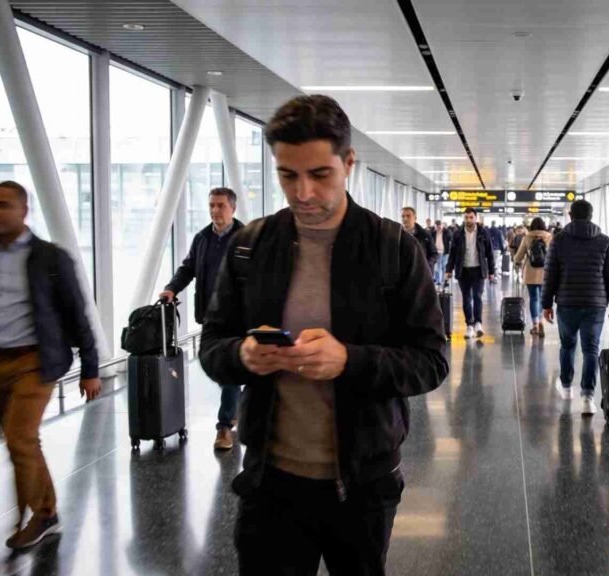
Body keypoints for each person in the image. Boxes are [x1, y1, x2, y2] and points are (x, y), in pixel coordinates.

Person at [199, 94, 448, 575]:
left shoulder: (393, 248)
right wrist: (243, 355)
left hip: (363, 484)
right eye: (288, 175)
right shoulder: (250, 246)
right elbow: (212, 346)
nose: (303, 193)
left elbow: (431, 361)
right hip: (269, 481)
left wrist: (349, 362)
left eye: (319, 174)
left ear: (349, 163)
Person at [0, 180, 101, 550]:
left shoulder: (50, 258)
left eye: (4, 205)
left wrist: (91, 367)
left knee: (21, 438)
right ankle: (46, 510)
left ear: (24, 211)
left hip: (35, 361)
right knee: (18, 441)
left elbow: (77, 312)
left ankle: (41, 515)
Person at [160, 187, 245, 450]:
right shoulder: (202, 238)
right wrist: (172, 288)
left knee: (229, 371)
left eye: (220, 205)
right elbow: (188, 268)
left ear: (233, 208)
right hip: (210, 315)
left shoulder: (247, 237)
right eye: (211, 205)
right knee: (220, 370)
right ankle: (237, 407)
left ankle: (223, 428)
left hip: (239, 315)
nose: (215, 211)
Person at [542, 200, 609, 417]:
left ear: (570, 215)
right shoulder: (604, 241)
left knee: (567, 345)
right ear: (591, 215)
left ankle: (567, 387)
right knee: (591, 349)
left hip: (567, 302)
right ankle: (588, 397)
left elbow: (550, 274)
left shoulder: (558, 241)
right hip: (595, 304)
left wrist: (546, 304)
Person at [446, 207, 496, 339]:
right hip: (463, 270)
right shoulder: (457, 234)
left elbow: (490, 253)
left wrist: (492, 271)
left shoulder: (483, 233)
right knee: (466, 298)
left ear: (476, 218)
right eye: (466, 217)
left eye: (471, 217)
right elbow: (452, 253)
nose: (468, 220)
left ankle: (478, 323)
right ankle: (469, 325)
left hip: (479, 270)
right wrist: (448, 270)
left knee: (478, 297)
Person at [513, 218, 553, 338]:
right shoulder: (550, 237)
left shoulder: (527, 237)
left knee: (534, 298)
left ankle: (535, 324)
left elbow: (519, 256)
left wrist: (516, 261)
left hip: (530, 272)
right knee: (542, 297)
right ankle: (541, 321)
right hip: (546, 272)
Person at [401, 206, 438, 273]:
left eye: (408, 216)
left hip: (421, 273)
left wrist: (427, 265)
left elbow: (434, 253)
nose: (405, 218)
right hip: (403, 273)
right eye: (403, 216)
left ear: (415, 218)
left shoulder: (425, 235)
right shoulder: (397, 235)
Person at [432, 220, 451, 285]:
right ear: (435, 226)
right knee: (438, 266)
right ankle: (438, 281)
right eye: (437, 226)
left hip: (445, 252)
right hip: (437, 252)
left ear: (442, 225)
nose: (439, 228)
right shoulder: (433, 233)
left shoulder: (446, 232)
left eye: (440, 226)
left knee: (444, 266)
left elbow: (450, 239)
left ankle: (443, 280)